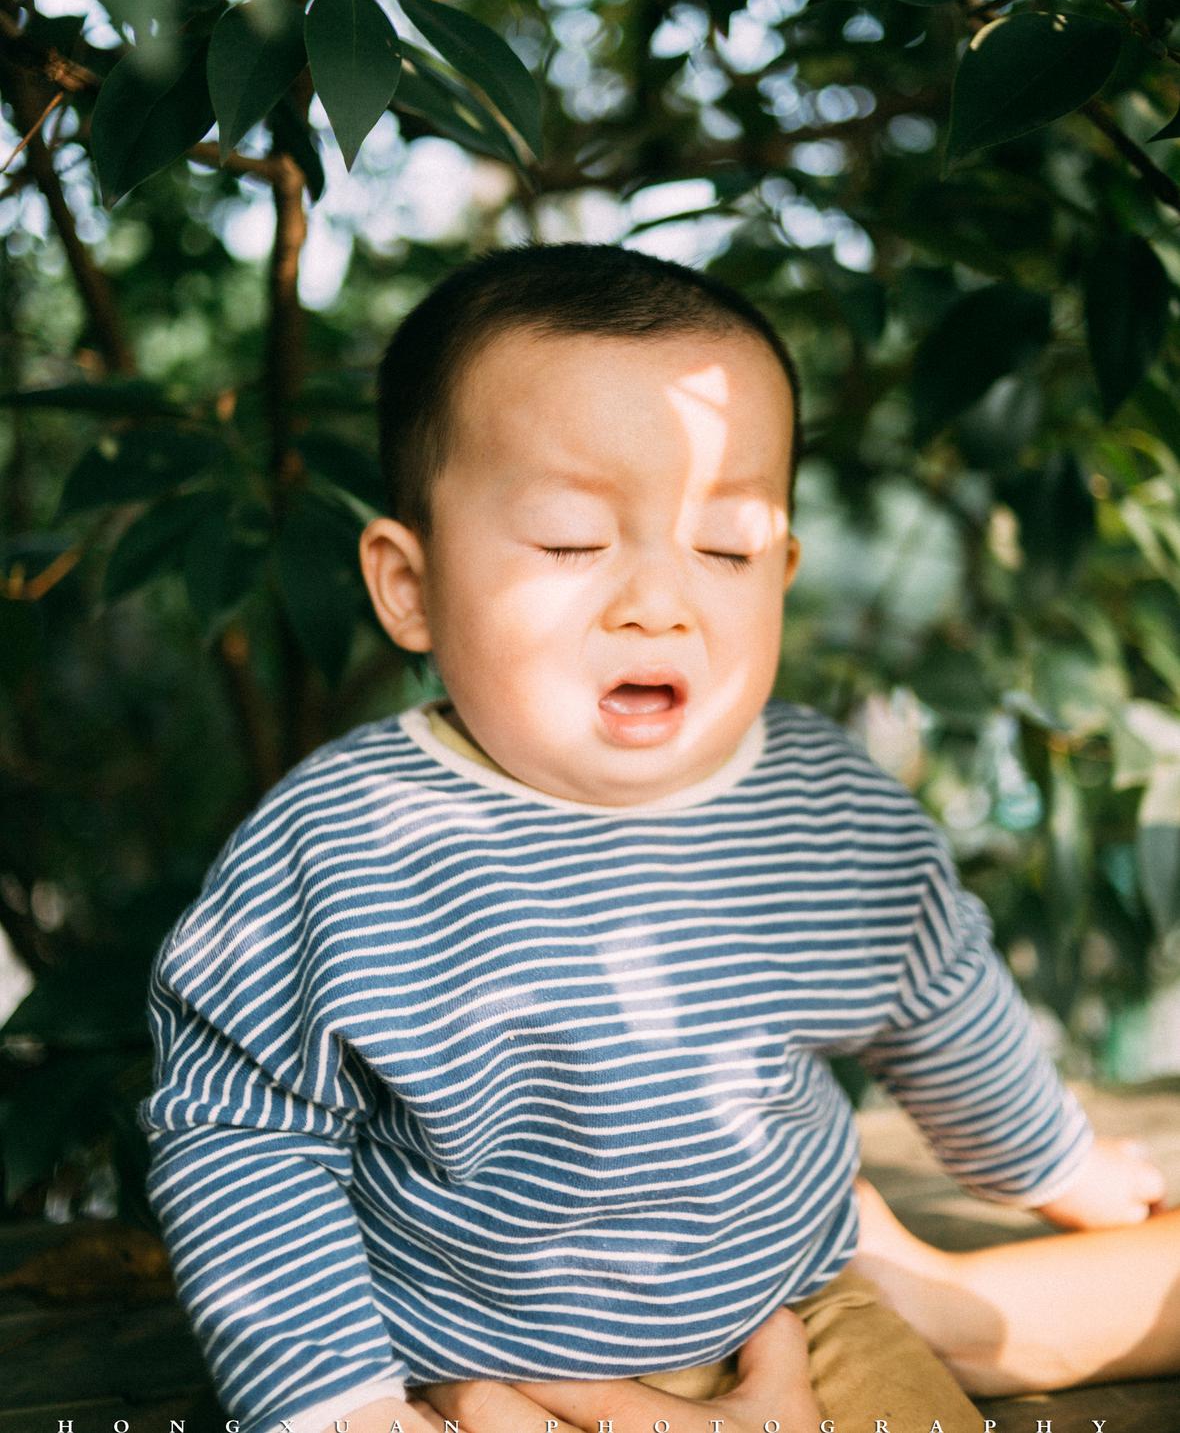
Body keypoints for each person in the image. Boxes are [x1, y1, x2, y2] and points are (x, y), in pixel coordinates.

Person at [136, 244, 1168, 1433]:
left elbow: (937, 997)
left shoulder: (825, 803)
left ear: (781, 570)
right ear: (409, 585)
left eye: (726, 547)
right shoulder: (344, 843)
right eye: (571, 539)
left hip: (805, 1310)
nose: (658, 603)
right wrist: (339, 1409)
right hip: (471, 1368)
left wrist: (1055, 1167)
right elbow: (241, 1134)